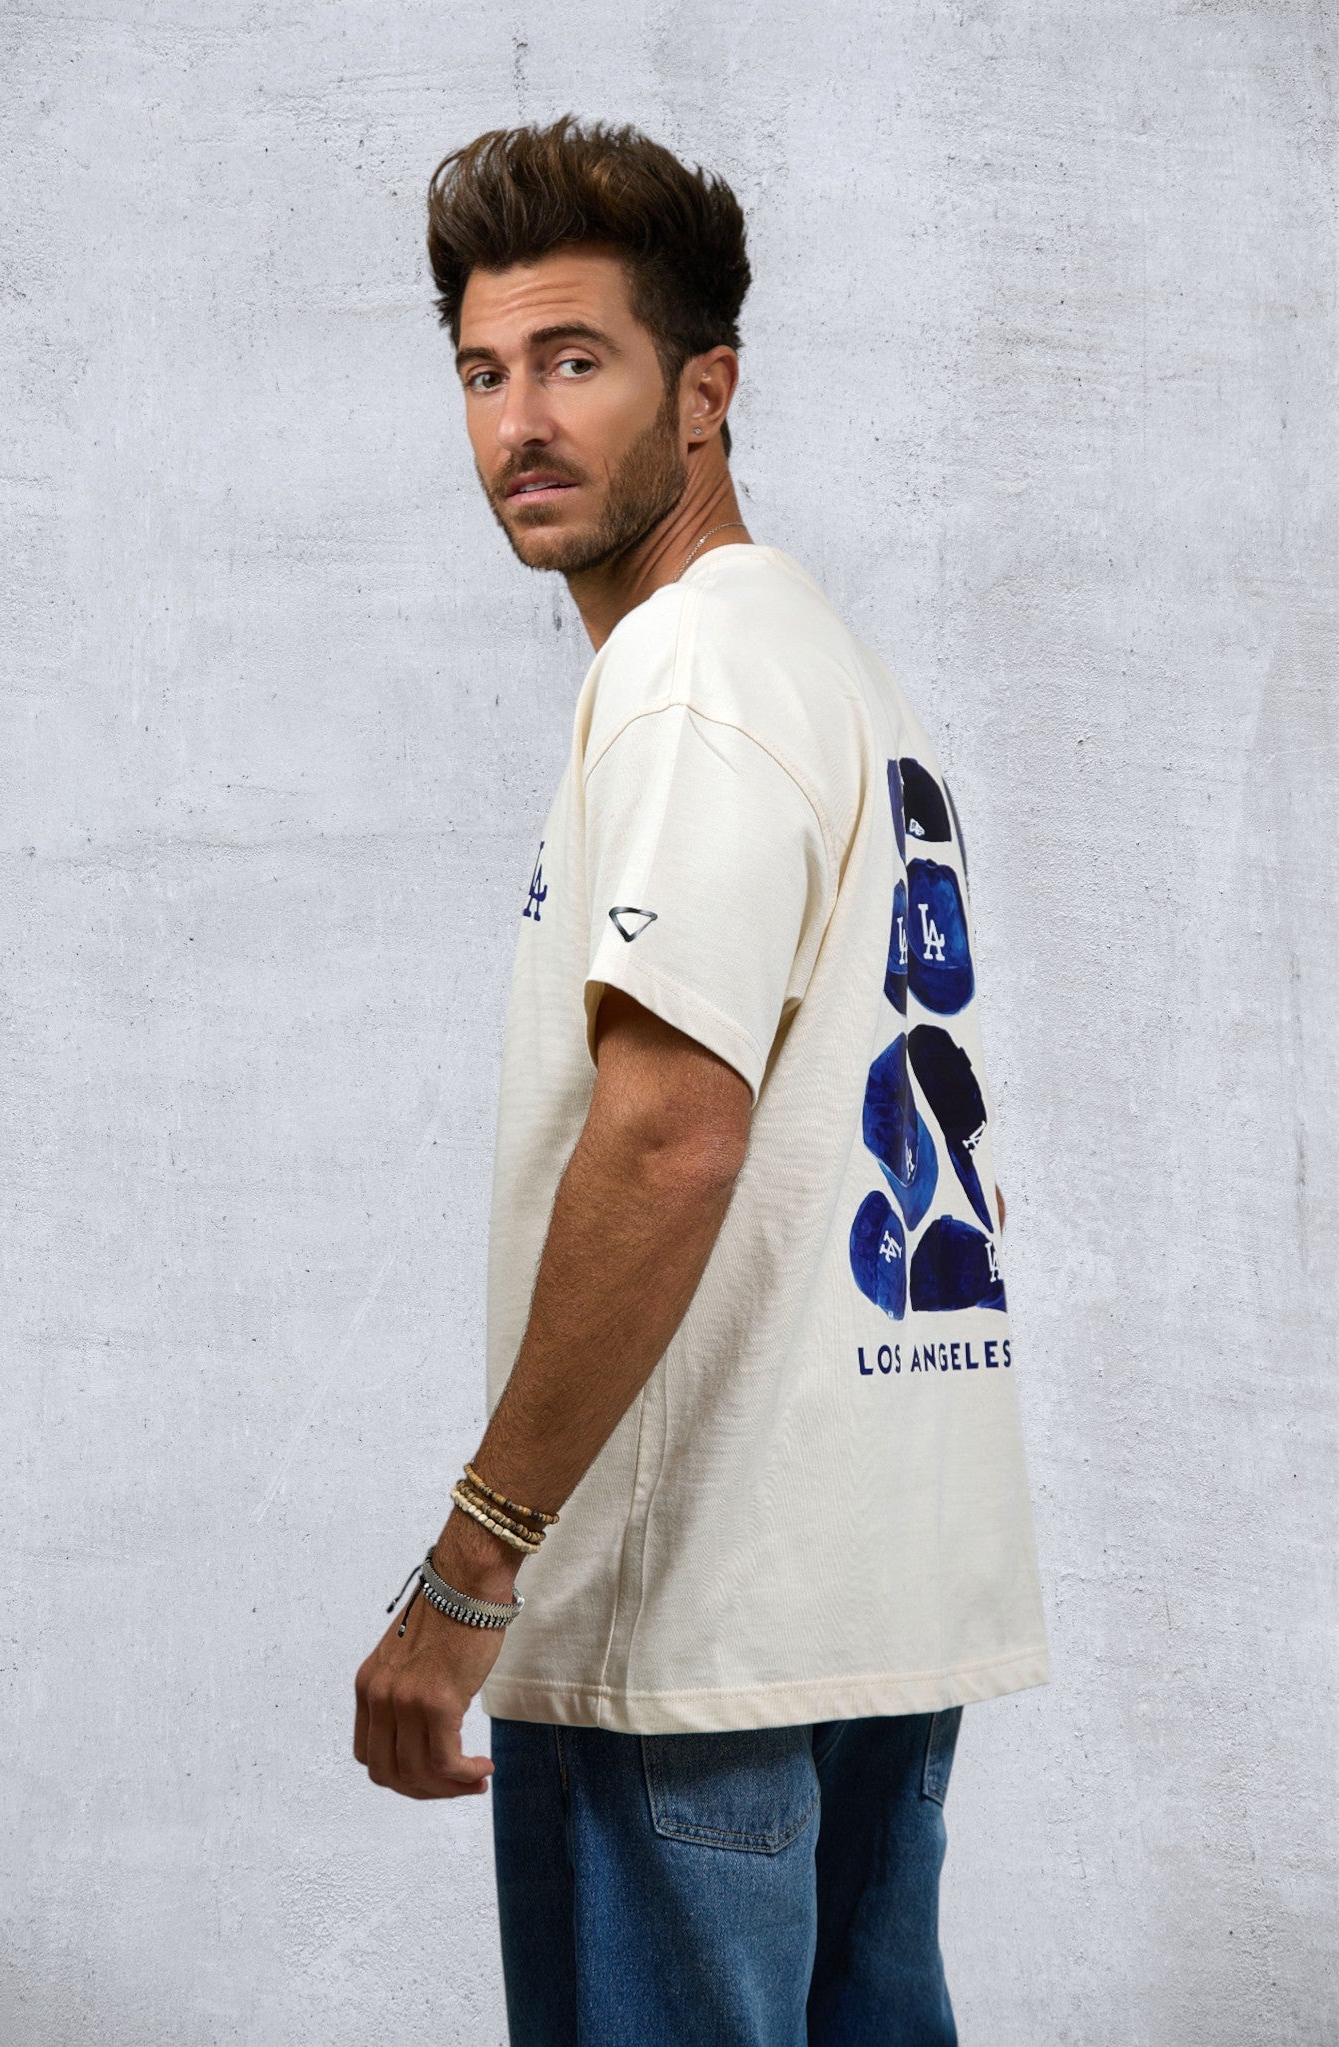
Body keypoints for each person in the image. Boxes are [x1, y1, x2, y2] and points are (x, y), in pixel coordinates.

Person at [353, 115, 1050, 2046]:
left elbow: (672, 1134)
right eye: (482, 373)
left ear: (704, 390)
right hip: (863, 1598)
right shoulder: (818, 661)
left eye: (574, 360)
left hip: (693, 1633)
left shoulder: (690, 677)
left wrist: (468, 1576)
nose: (518, 424)